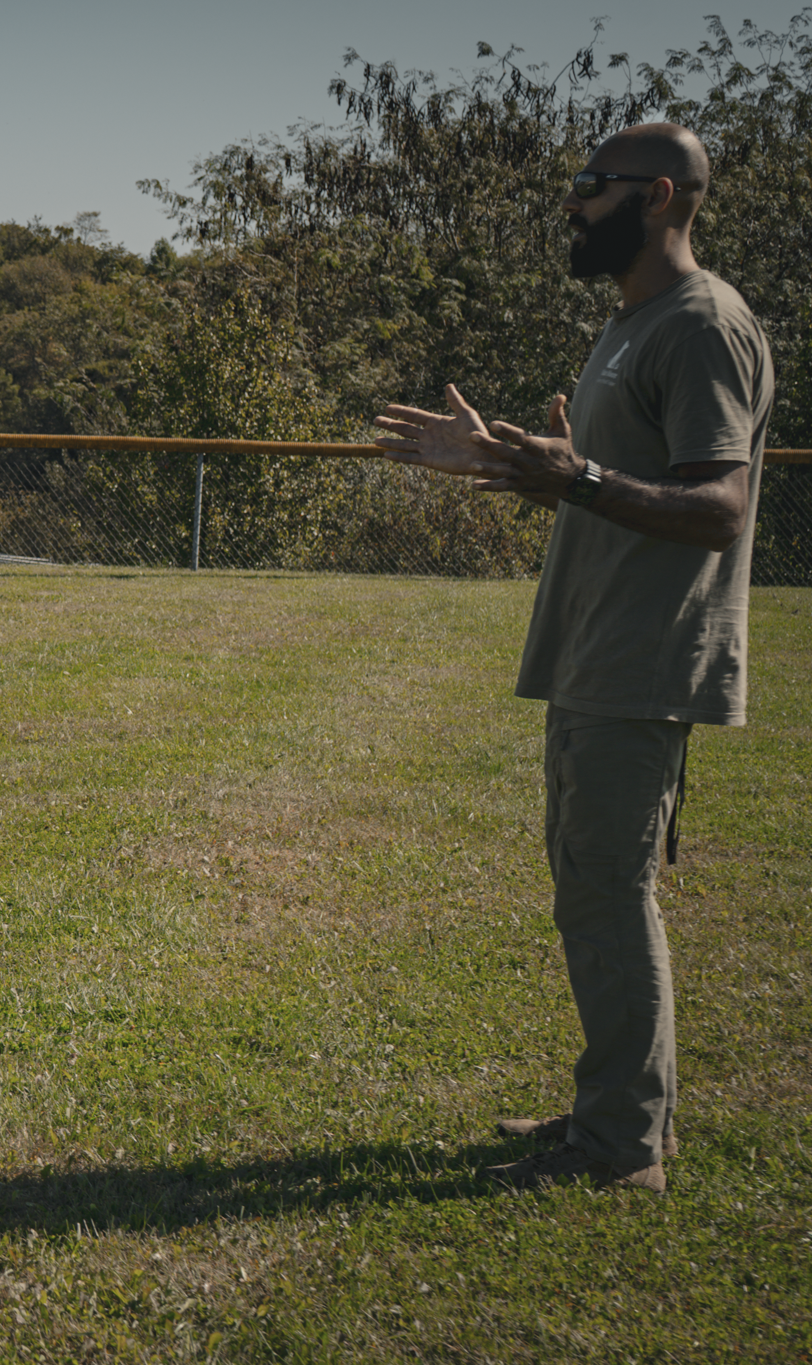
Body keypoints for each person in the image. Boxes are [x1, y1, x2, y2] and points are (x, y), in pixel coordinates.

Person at [372, 124, 772, 1194]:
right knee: (589, 883)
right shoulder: (629, 322)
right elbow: (585, 476)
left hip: (644, 655)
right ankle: (617, 1109)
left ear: (653, 196)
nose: (569, 205)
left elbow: (719, 506)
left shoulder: (698, 326)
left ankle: (618, 1148)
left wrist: (578, 477)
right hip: (594, 644)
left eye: (586, 188)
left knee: (606, 883)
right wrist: (508, 465)